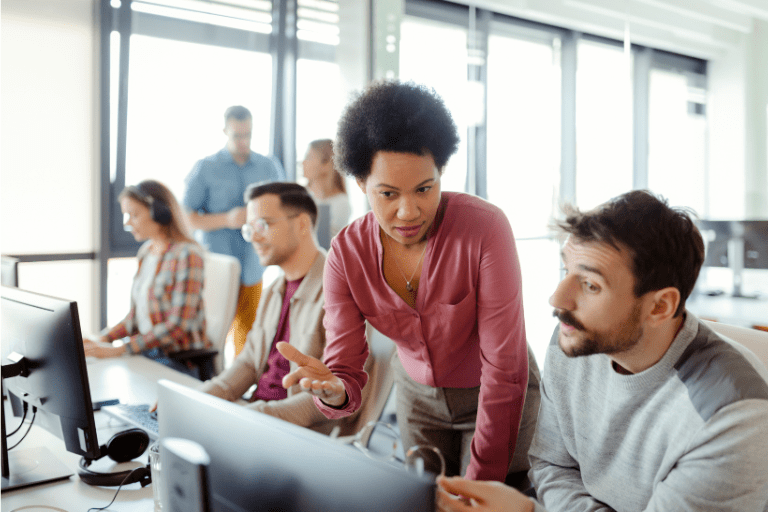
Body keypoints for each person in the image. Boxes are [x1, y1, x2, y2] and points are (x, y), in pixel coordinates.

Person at [437, 190, 768, 512]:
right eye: (568, 271)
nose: (558, 300)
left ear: (660, 307)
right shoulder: (576, 340)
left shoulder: (731, 418)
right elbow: (551, 464)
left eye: (591, 285)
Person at [278, 80, 541, 483]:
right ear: (362, 183)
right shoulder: (347, 255)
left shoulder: (485, 229)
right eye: (387, 194)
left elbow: (504, 368)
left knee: (491, 501)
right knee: (422, 499)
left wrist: (481, 481)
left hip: (497, 394)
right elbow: (344, 369)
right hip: (417, 400)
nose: (408, 211)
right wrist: (333, 390)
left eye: (424, 188)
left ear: (441, 172)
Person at [198, 181, 361, 433]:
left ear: (302, 224)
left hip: (293, 434)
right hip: (254, 420)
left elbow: (333, 395)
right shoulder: (274, 289)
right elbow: (250, 363)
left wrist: (246, 417)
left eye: (263, 224)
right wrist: (200, 398)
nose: (254, 237)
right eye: (249, 229)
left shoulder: (342, 292)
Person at [183, 105, 286, 358]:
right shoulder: (205, 168)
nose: (243, 141)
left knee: (249, 336)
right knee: (213, 336)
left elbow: (283, 211)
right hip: (218, 267)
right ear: (225, 131)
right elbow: (187, 218)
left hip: (253, 265)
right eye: (237, 136)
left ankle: (241, 393)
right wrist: (226, 219)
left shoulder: (268, 167)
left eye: (248, 135)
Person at [83, 180, 211, 377]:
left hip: (177, 361)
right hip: (146, 353)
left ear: (159, 212)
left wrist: (119, 350)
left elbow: (177, 326)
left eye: (134, 215)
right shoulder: (146, 252)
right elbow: (135, 317)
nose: (127, 223)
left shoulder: (188, 255)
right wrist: (103, 339)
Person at [302, 138, 351, 239]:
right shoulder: (299, 195)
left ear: (326, 164)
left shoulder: (341, 203)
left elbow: (324, 243)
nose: (303, 163)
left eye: (309, 157)